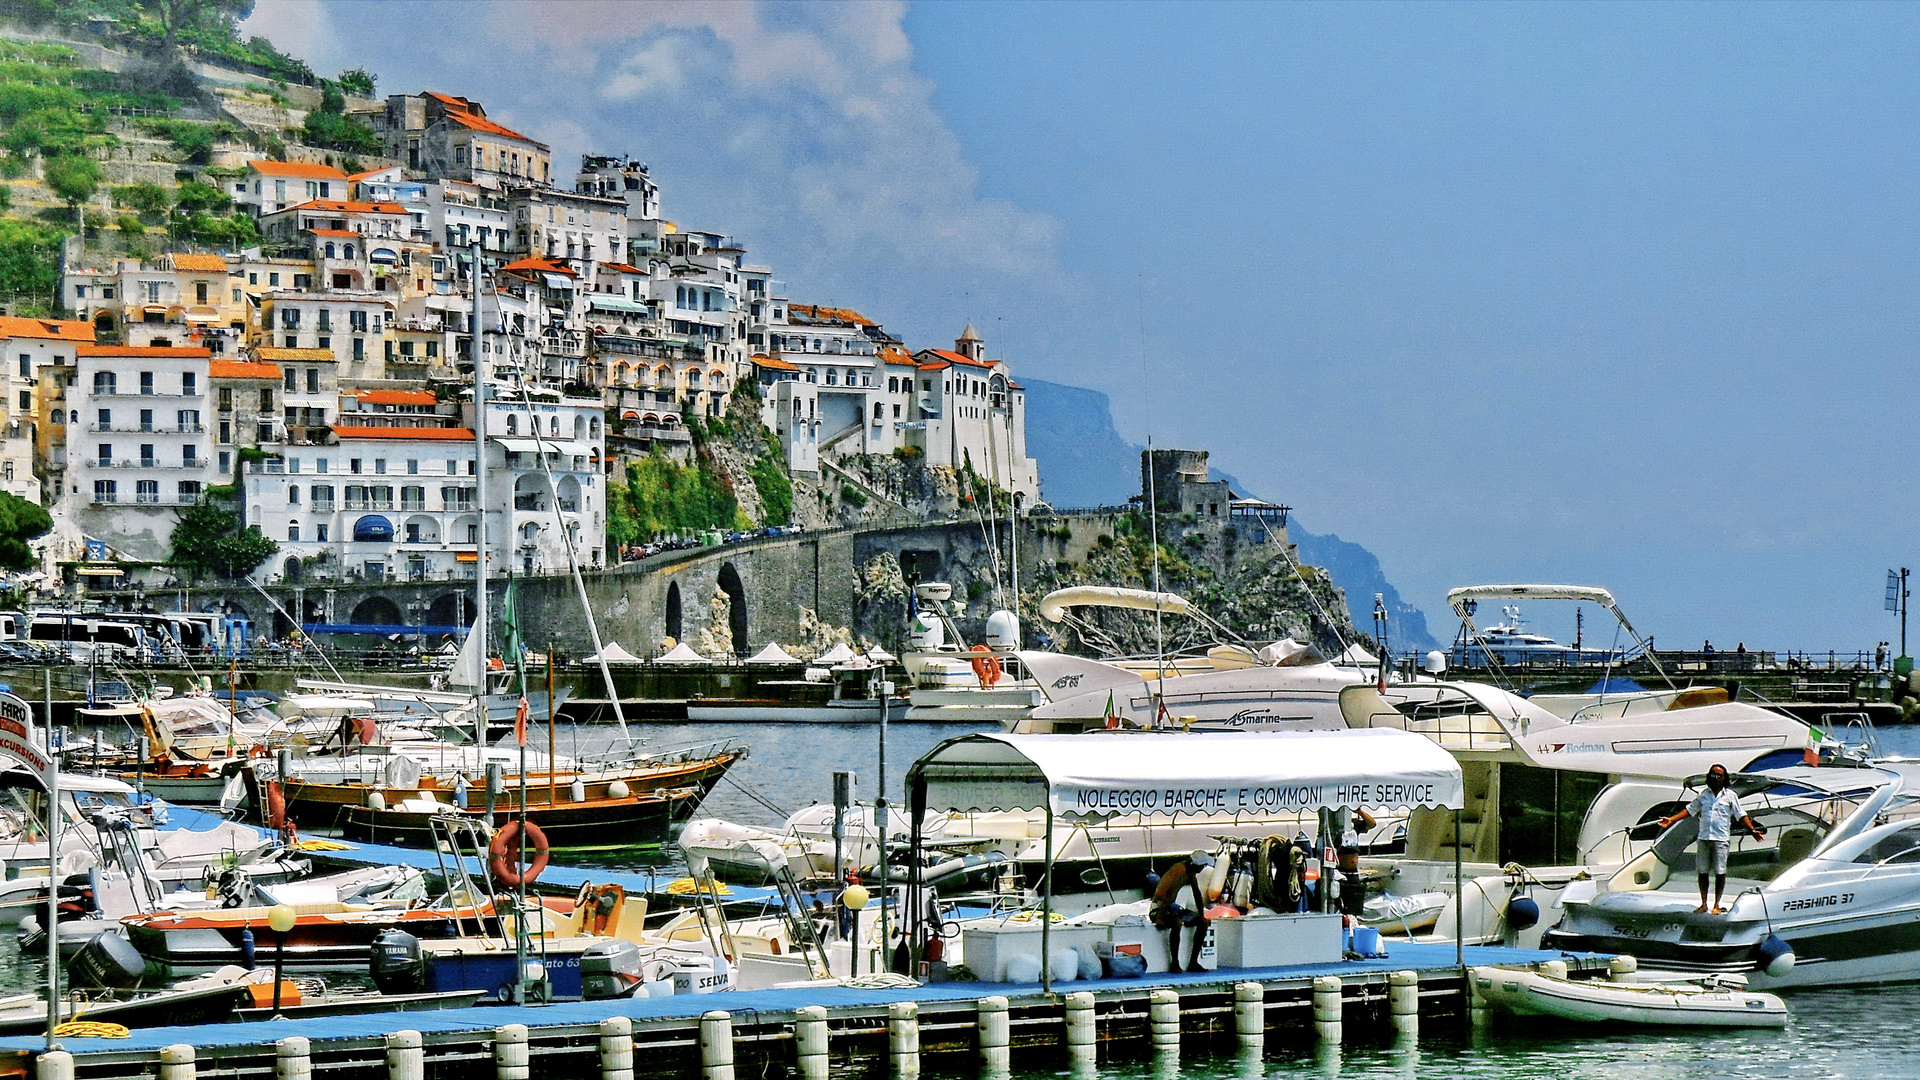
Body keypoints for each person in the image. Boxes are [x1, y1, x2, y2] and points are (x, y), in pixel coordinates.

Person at [1658, 764, 1765, 914]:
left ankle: (1716, 904)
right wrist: (1671, 819)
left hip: (1720, 839)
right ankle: (1703, 903)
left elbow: (1740, 815)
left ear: (1724, 778)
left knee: (1720, 872)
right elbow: (1690, 810)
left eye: (1720, 775)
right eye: (1714, 775)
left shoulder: (1730, 796)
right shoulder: (1704, 795)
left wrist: (1752, 829)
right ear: (1710, 777)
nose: (1717, 778)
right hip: (1704, 838)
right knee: (1702, 872)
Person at [1149, 850, 1213, 972]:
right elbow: (1167, 895)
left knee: (1202, 922)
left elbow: (1197, 894)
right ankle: (1175, 963)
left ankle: (1193, 962)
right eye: (1203, 866)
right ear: (1196, 864)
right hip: (1159, 909)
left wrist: (1201, 914)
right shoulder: (1180, 871)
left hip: (1172, 907)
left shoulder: (1190, 872)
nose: (1203, 868)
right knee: (1176, 923)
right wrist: (1160, 917)